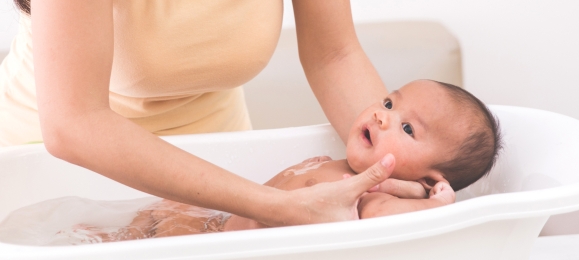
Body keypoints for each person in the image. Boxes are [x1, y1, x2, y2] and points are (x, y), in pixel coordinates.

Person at [0, 0, 427, 228]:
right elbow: (74, 123)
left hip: (222, 166)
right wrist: (277, 207)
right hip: (52, 176)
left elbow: (333, 54)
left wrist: (406, 180)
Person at [65, 80, 502, 242]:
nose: (382, 115)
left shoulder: (374, 198)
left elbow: (395, 228)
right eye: (389, 101)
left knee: (137, 233)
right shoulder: (350, 173)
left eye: (407, 129)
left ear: (431, 179)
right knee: (150, 215)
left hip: (216, 241)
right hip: (213, 219)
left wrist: (434, 206)